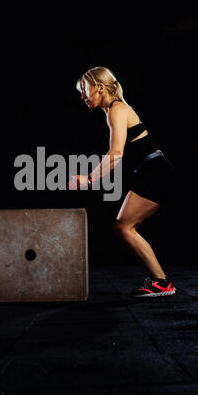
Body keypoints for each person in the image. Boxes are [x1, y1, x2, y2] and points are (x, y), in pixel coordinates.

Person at [68, 66, 177, 298]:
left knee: (124, 226)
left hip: (156, 173)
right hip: (152, 172)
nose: (82, 97)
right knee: (124, 227)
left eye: (84, 90)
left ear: (99, 88)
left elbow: (116, 154)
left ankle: (163, 283)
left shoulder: (116, 110)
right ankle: (161, 281)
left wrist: (89, 179)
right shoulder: (115, 110)